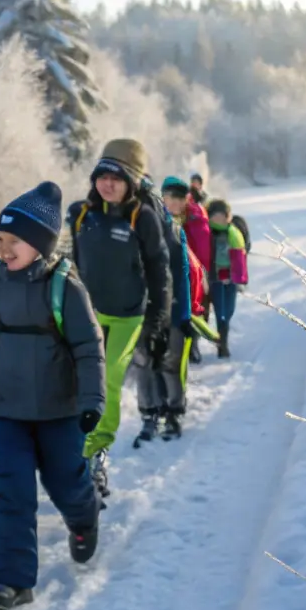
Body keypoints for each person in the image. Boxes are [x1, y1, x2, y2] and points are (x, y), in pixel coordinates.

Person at [0, 182, 106, 610]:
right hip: (7, 413)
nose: (5, 249)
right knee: (10, 493)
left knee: (67, 481)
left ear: (40, 245)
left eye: (15, 242)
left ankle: (84, 518)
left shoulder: (65, 289)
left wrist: (91, 402)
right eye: (0, 241)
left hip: (59, 411)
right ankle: (11, 579)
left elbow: (88, 348)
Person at [67, 139, 171, 498]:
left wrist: (158, 322)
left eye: (117, 177)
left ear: (132, 181)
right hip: (86, 313)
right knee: (77, 384)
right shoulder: (81, 214)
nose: (108, 184)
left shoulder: (142, 217)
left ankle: (97, 453)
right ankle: (74, 447)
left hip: (127, 316)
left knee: (108, 381)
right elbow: (71, 265)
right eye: (102, 176)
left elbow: (160, 272)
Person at [134, 179, 200, 443]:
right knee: (144, 364)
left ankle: (173, 412)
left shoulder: (172, 230)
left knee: (169, 363)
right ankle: (150, 414)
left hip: (169, 309)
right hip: (138, 310)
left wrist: (184, 315)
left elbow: (182, 275)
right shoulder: (125, 227)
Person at [205, 199, 249, 358]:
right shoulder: (208, 233)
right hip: (215, 279)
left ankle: (222, 337)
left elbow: (243, 253)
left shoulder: (235, 232)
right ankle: (222, 344)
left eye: (222, 216)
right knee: (220, 312)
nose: (219, 220)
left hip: (231, 278)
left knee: (229, 311)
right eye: (215, 216)